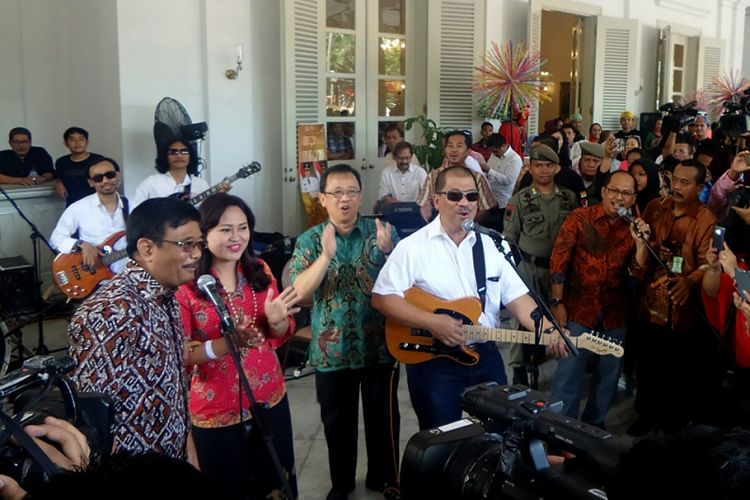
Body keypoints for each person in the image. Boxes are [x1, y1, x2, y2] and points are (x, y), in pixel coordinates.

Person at [372, 165, 568, 430]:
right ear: (437, 200)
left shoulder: (493, 244)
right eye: (455, 196)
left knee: (499, 435)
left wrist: (548, 330)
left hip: (486, 356)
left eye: (471, 196)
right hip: (435, 363)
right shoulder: (413, 247)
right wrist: (431, 322)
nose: (464, 203)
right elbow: (383, 298)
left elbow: (518, 297)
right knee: (443, 442)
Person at [288, 164, 400, 500]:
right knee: (338, 423)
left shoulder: (382, 230)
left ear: (361, 195)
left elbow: (407, 284)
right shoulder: (310, 239)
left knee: (383, 418)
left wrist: (389, 252)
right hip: (331, 351)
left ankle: (383, 478)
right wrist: (325, 257)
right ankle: (342, 483)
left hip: (379, 345)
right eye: (336, 192)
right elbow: (301, 293)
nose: (344, 199)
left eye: (351, 191)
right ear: (323, 198)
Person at [177, 193, 300, 500]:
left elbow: (280, 335)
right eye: (225, 229)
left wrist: (277, 321)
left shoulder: (259, 270)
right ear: (204, 235)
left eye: (243, 228)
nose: (236, 238)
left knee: (277, 483)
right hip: (215, 409)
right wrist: (226, 344)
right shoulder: (187, 285)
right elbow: (181, 353)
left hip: (270, 397)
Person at [67, 197, 202, 459]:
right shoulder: (109, 311)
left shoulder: (167, 296)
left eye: (199, 245)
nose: (196, 254)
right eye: (186, 245)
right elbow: (96, 420)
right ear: (147, 248)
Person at [549, 171, 647, 428]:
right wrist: (557, 302)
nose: (619, 198)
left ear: (634, 197)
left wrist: (640, 245)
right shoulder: (580, 218)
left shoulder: (635, 227)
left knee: (609, 374)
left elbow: (638, 272)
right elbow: (559, 261)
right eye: (614, 191)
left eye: (626, 194)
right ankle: (561, 429)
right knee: (569, 371)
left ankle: (594, 426)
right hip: (578, 307)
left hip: (616, 311)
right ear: (603, 190)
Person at [628, 159, 716, 436]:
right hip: (650, 301)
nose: (676, 187)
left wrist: (690, 280)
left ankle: (672, 424)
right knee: (649, 365)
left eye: (684, 183)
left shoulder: (706, 220)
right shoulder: (656, 207)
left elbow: (707, 263)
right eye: (674, 179)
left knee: (678, 371)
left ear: (700, 187)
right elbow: (643, 253)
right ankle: (645, 415)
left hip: (682, 309)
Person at [504, 144, 578, 384]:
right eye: (538, 166)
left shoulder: (569, 198)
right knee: (522, 320)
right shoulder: (520, 200)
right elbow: (509, 241)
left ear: (556, 168)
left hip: (562, 271)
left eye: (549, 166)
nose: (544, 170)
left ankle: (562, 367)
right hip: (529, 268)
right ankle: (518, 370)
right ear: (531, 168)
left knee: (561, 318)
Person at [49, 158, 129, 274]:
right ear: (91, 182)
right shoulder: (78, 208)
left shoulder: (134, 206)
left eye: (110, 175)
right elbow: (56, 238)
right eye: (98, 178)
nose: (105, 180)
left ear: (117, 176)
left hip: (128, 278)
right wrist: (82, 245)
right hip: (93, 278)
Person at [417, 130, 497, 221]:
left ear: (468, 151)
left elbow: (485, 210)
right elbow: (424, 203)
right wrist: (427, 209)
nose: (454, 150)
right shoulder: (433, 175)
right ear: (445, 150)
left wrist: (464, 224)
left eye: (459, 146)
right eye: (450, 146)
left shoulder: (477, 177)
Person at [132, 138, 210, 207]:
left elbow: (209, 213)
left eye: (184, 152)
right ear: (165, 156)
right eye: (173, 152)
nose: (179, 156)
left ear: (191, 156)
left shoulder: (201, 185)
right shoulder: (151, 182)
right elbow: (134, 208)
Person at [53, 127, 105, 206]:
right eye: (72, 140)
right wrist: (59, 183)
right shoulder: (61, 162)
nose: (77, 143)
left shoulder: (98, 160)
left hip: (96, 204)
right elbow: (58, 176)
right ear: (66, 143)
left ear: (87, 142)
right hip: (72, 205)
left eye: (81, 139)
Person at [484, 133, 523, 227]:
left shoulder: (515, 159)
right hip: (492, 198)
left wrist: (489, 171)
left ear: (504, 146)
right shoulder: (494, 155)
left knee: (502, 228)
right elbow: (489, 170)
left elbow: (508, 180)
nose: (494, 154)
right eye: (492, 152)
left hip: (504, 201)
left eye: (496, 151)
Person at [376, 141, 427, 206]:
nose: (404, 161)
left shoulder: (420, 172)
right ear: (394, 157)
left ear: (411, 157)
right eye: (400, 158)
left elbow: (426, 196)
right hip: (393, 210)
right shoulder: (386, 173)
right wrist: (401, 207)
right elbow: (384, 196)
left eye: (407, 158)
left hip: (416, 211)